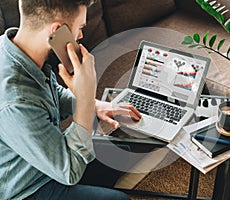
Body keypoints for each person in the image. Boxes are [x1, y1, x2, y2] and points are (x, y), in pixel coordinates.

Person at [0, 0, 142, 199]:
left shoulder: (16, 51)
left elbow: (53, 94)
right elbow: (70, 172)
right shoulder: (16, 100)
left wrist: (95, 105)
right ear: (57, 30)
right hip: (27, 187)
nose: (81, 36)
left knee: (120, 153)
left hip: (47, 158)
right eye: (80, 28)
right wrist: (84, 99)